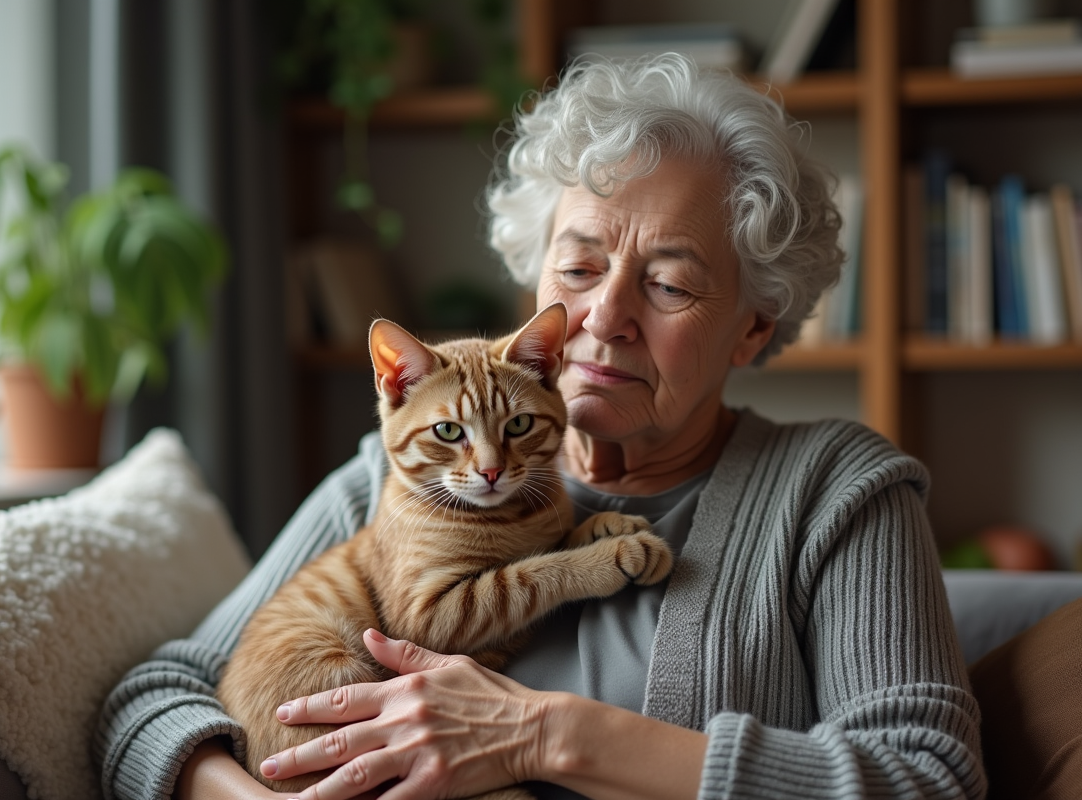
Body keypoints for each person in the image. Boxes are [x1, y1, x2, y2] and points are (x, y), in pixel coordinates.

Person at [94, 54, 986, 800]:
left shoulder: (834, 488)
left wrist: (547, 736)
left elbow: (928, 779)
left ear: (755, 323)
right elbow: (150, 703)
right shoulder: (397, 476)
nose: (604, 317)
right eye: (579, 266)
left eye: (669, 284)